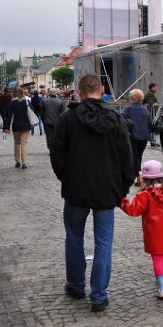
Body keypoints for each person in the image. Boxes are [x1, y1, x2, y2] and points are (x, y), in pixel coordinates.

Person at [51, 74, 134, 312]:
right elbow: (127, 159)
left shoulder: (67, 119)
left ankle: (76, 285)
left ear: (79, 90)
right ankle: (98, 294)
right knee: (103, 242)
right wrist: (123, 187)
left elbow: (57, 154)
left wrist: (66, 178)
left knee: (74, 237)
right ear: (102, 90)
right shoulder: (115, 120)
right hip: (107, 189)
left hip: (76, 188)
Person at [119, 160, 163, 300]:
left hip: (152, 230)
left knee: (156, 257)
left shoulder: (145, 194)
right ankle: (161, 276)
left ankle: (162, 286)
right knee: (162, 254)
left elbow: (133, 210)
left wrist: (122, 201)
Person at [122, 88, 153, 185]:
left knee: (134, 157)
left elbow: (121, 120)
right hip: (144, 137)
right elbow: (150, 124)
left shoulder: (128, 109)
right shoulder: (145, 110)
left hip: (132, 136)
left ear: (132, 98)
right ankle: (137, 175)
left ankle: (139, 176)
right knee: (138, 156)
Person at [4, 87, 32, 169]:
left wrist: (7, 127)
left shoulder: (12, 103)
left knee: (17, 143)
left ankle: (17, 161)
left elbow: (9, 116)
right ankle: (24, 163)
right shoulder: (27, 101)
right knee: (24, 143)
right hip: (26, 125)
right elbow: (32, 111)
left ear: (14, 93)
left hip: (16, 125)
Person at [40, 88, 66, 152]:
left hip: (47, 122)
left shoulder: (44, 101)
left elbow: (42, 112)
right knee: (56, 136)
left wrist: (43, 121)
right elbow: (62, 113)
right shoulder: (60, 102)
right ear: (56, 93)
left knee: (49, 136)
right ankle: (55, 148)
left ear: (49, 93)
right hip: (57, 122)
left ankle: (51, 148)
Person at [143, 83, 159, 147]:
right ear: (151, 88)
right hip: (151, 113)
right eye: (155, 87)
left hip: (150, 113)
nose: (156, 89)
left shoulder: (150, 94)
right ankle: (152, 141)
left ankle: (152, 140)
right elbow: (151, 104)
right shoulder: (150, 94)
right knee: (152, 126)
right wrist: (156, 104)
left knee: (151, 126)